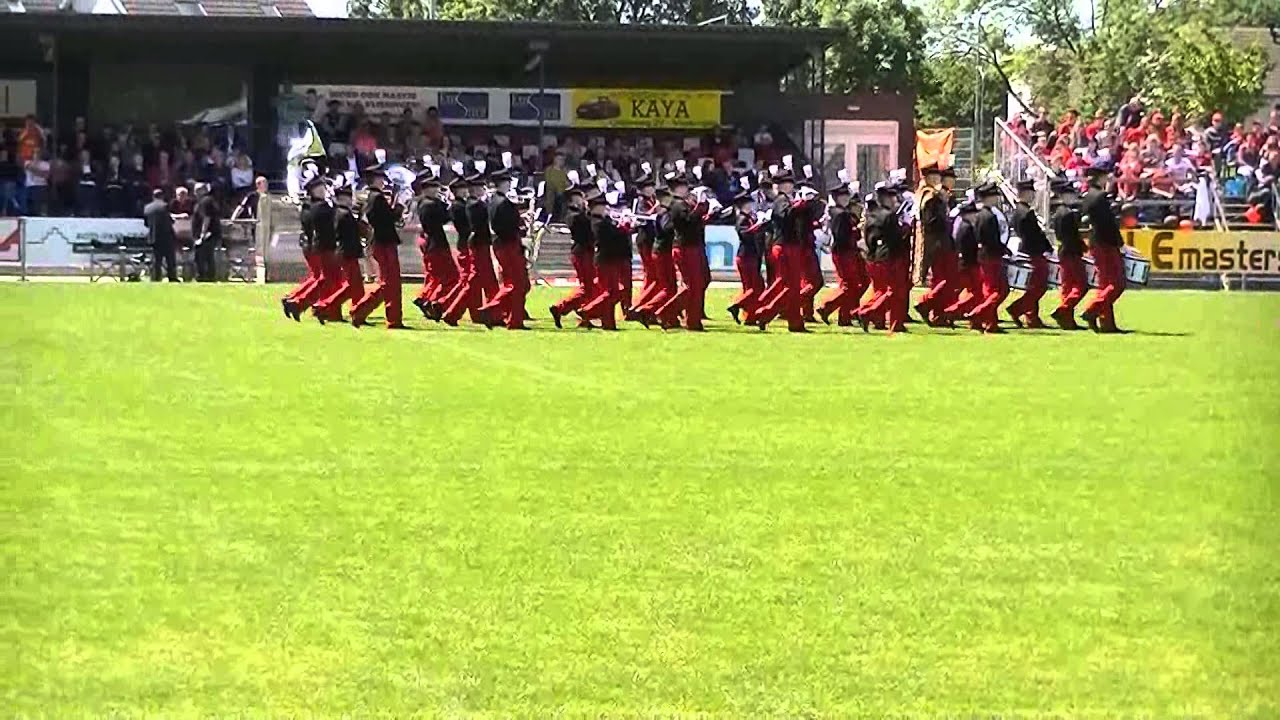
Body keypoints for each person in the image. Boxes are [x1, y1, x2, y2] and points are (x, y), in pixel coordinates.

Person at [747, 171, 810, 332]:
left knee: (792, 287)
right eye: (787, 183)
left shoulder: (784, 200)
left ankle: (794, 322)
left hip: (788, 245)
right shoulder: (781, 200)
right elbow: (785, 216)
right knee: (790, 287)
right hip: (785, 245)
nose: (790, 185)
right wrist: (798, 206)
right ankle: (766, 314)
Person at [350, 165, 406, 329]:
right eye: (381, 179)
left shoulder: (372, 197)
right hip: (384, 241)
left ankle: (368, 312)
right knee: (390, 283)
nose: (384, 182)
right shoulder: (377, 198)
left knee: (389, 283)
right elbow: (389, 218)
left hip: (380, 241)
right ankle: (363, 311)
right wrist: (399, 206)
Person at [852, 183, 908, 333]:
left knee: (880, 290)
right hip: (890, 256)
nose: (894, 200)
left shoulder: (871, 215)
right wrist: (905, 227)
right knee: (894, 292)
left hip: (875, 255)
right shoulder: (889, 216)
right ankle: (867, 312)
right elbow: (896, 237)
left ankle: (874, 317)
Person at [655, 175, 708, 331]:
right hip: (685, 247)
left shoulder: (681, 204)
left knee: (696, 285)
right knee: (691, 285)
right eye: (684, 186)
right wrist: (699, 208)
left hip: (690, 245)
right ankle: (666, 312)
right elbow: (687, 223)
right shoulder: (677, 205)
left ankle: (692, 320)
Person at [478, 169, 529, 330]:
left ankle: (510, 317)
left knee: (511, 282)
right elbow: (511, 225)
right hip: (509, 244)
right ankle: (499, 311)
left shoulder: (493, 201)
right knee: (516, 284)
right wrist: (521, 228)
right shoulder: (504, 203)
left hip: (500, 244)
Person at [1080, 161, 1126, 333]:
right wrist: (1119, 243)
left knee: (1104, 284)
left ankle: (1107, 323)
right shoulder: (1101, 197)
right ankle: (1092, 310)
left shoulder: (1088, 196)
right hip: (1106, 242)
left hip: (1095, 241)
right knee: (1116, 283)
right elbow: (1109, 224)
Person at [313, 183, 366, 324]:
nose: (350, 200)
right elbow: (353, 231)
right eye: (347, 197)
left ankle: (357, 311)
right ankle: (326, 306)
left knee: (355, 285)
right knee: (353, 286)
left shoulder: (337, 212)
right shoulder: (344, 214)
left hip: (344, 251)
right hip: (347, 251)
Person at [577, 194, 631, 330]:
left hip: (609, 257)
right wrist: (623, 227)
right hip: (604, 258)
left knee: (611, 292)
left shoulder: (603, 220)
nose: (604, 208)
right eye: (601, 206)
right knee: (610, 292)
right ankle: (588, 311)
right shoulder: (597, 222)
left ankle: (608, 322)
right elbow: (609, 237)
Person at [815, 184, 866, 326]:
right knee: (849, 285)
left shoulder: (840, 212)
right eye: (842, 196)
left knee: (851, 285)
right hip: (844, 251)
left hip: (845, 251)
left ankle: (845, 316)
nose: (845, 199)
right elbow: (841, 235)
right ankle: (827, 307)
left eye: (846, 196)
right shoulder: (840, 214)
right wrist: (855, 235)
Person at [964, 183, 1011, 333]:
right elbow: (992, 239)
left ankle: (988, 321)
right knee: (995, 290)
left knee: (992, 290)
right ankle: (979, 314)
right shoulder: (989, 216)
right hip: (991, 255)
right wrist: (1003, 249)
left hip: (985, 254)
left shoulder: (980, 215)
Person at [289, 175, 339, 318]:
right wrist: (334, 203)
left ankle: (310, 304)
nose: (324, 190)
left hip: (317, 245)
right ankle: (301, 303)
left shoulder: (308, 207)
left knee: (325, 278)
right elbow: (333, 218)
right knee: (326, 279)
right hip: (323, 246)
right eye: (320, 188)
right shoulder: (320, 207)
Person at [1005, 179, 1053, 328]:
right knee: (1038, 286)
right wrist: (1047, 248)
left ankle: (1031, 316)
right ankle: (1017, 309)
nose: (1033, 195)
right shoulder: (1026, 213)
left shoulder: (1017, 211)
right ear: (1026, 193)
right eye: (1031, 192)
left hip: (1026, 251)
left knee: (1033, 286)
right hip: (1033, 252)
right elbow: (1035, 235)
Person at [912, 164, 954, 325]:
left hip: (937, 242)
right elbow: (932, 221)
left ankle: (937, 314)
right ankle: (926, 303)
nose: (938, 179)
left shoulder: (928, 195)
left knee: (941, 281)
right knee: (944, 280)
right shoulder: (931, 197)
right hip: (937, 243)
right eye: (934, 176)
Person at [411, 173, 457, 320]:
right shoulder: (431, 204)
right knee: (449, 277)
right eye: (433, 187)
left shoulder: (422, 203)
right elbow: (445, 217)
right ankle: (432, 301)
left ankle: (425, 297)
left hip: (430, 242)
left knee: (435, 276)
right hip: (437, 243)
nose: (436, 190)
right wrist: (450, 203)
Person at [549, 185, 595, 328]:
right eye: (578, 197)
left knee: (588, 286)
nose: (582, 200)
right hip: (582, 251)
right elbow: (585, 228)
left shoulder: (578, 214)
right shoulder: (573, 215)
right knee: (587, 287)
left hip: (584, 250)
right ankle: (561, 307)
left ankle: (584, 316)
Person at [1049, 179, 1086, 330]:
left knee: (1067, 286)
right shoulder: (1069, 214)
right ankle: (1064, 310)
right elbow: (1073, 235)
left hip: (1063, 250)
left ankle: (1067, 319)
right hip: (1072, 251)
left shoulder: (1057, 213)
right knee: (1080, 286)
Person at [727, 189, 766, 324]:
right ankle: (737, 305)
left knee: (753, 287)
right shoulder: (742, 219)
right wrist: (758, 225)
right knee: (754, 287)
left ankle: (749, 316)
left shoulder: (749, 218)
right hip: (746, 256)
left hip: (750, 255)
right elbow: (745, 234)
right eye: (748, 205)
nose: (751, 207)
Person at [628, 175, 662, 315]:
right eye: (648, 187)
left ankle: (646, 305)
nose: (652, 189)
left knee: (652, 275)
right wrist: (656, 208)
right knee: (652, 274)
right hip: (645, 239)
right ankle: (639, 305)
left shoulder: (652, 199)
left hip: (652, 238)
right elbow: (641, 218)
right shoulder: (640, 202)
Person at [143, 189, 179, 282]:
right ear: (162, 196)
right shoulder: (165, 206)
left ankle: (156, 277)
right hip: (166, 236)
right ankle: (172, 277)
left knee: (156, 260)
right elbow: (169, 220)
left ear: (153, 196)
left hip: (154, 237)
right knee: (170, 259)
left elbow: (146, 223)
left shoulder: (147, 207)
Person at [190, 183, 222, 282]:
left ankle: (202, 276)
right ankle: (209, 276)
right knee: (208, 256)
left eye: (197, 190)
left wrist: (202, 235)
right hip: (209, 234)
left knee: (201, 256)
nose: (195, 192)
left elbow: (206, 218)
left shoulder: (205, 202)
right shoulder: (208, 201)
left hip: (206, 235)